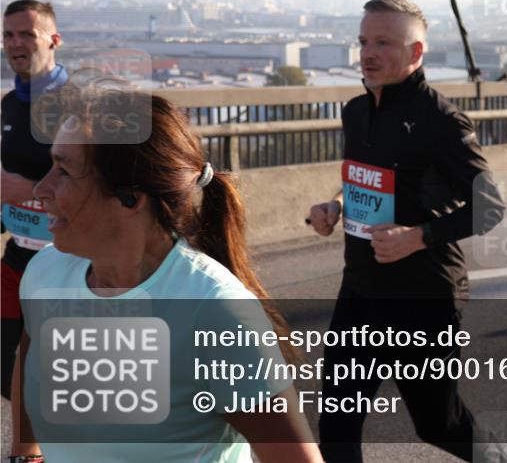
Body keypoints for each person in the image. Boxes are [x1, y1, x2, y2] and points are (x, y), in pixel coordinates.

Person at [12, 84, 323, 462]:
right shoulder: (45, 273)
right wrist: (24, 455)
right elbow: (29, 361)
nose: (41, 189)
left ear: (130, 198)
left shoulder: (213, 310)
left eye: (64, 171)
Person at [307, 0, 507, 463]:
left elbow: (489, 207)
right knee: (337, 422)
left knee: (437, 423)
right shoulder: (355, 111)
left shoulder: (441, 121)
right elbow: (366, 180)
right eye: (363, 41)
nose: (368, 53)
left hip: (423, 296)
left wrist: (417, 237)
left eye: (383, 43)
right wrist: (335, 206)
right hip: (361, 289)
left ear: (415, 52)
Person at [1, 0, 68, 401]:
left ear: (54, 40)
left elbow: (101, 187)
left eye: (27, 34)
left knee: (58, 374)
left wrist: (29, 191)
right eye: (8, 35)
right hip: (17, 257)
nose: (15, 43)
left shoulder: (79, 105)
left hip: (68, 261)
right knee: (8, 371)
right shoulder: (10, 104)